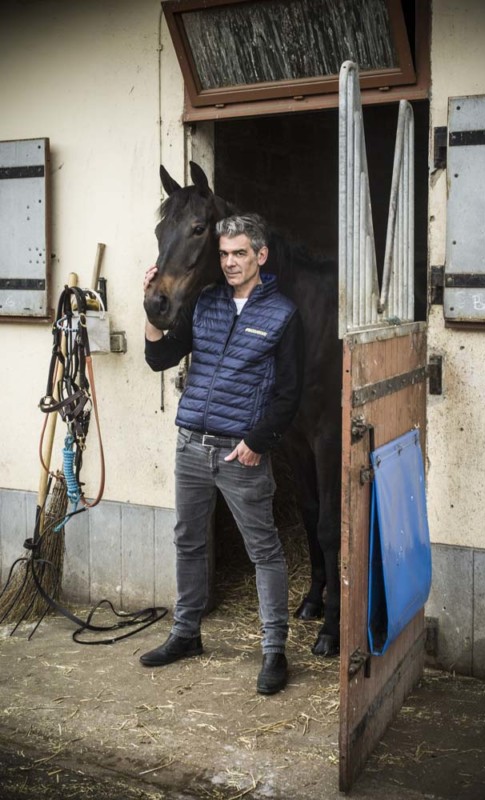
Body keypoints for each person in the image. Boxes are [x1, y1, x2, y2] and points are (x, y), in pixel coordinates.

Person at [140, 213, 304, 695]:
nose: (230, 263)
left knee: (264, 551)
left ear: (260, 256)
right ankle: (186, 634)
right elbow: (160, 357)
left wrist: (256, 443)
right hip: (190, 443)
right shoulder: (206, 302)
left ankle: (274, 650)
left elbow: (288, 395)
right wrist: (150, 312)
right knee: (188, 541)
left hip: (240, 454)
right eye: (225, 254)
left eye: (239, 254)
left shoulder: (283, 314)